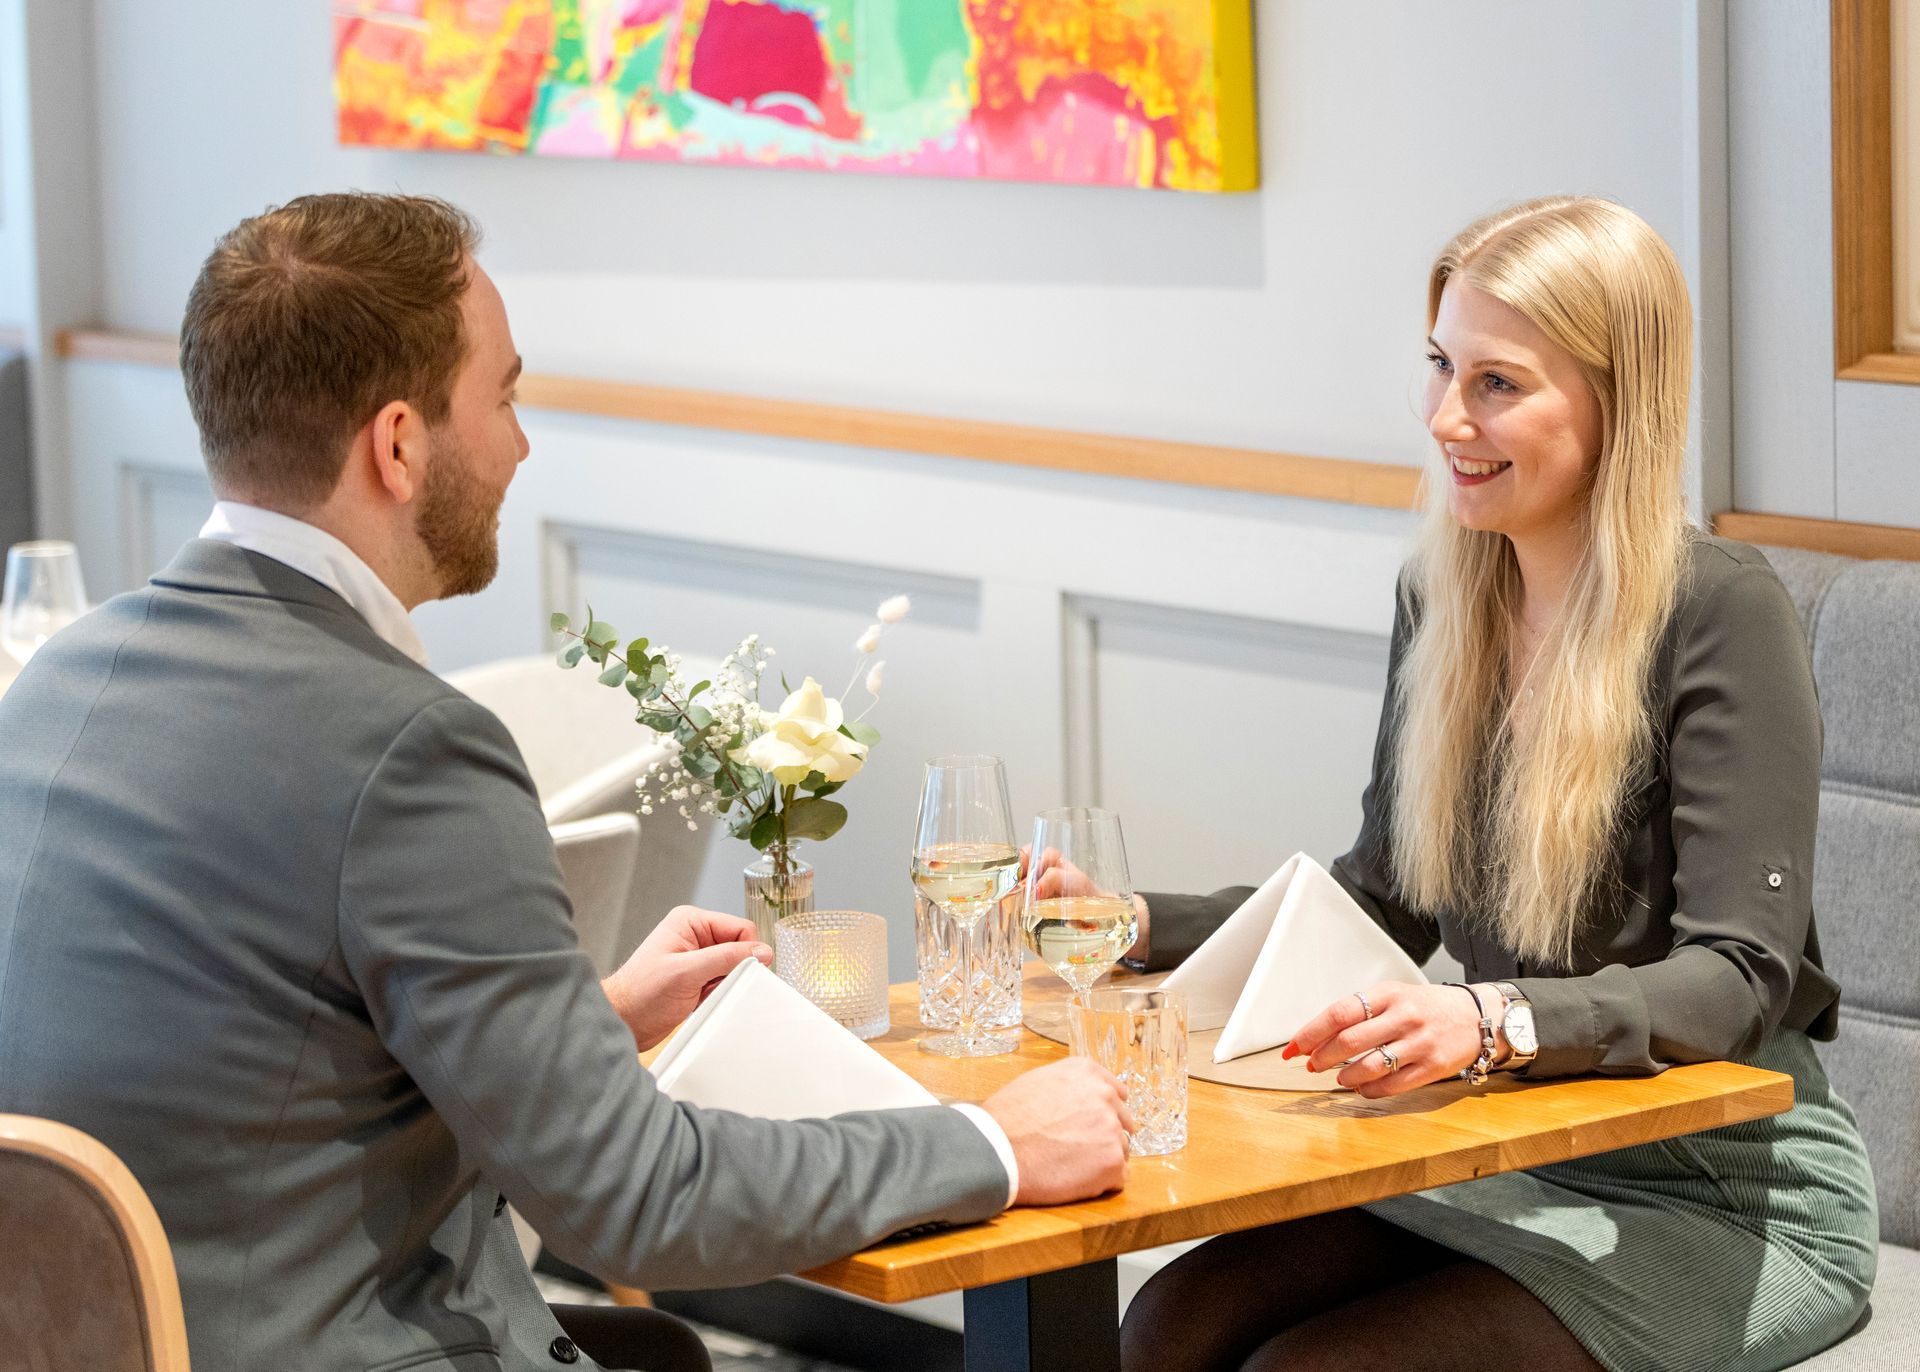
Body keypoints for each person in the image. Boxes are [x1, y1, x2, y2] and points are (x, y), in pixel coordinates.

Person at [0, 192, 1132, 1372]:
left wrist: (583, 1021)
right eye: (504, 397)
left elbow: (246, 1067)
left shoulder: (51, 683)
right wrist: (990, 1142)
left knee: (662, 1355)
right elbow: (640, 1199)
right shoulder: (410, 750)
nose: (520, 446)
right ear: (399, 444)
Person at [1115, 197, 1879, 1372]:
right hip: (1518, 1149)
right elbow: (1383, 898)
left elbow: (1739, 975)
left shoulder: (1722, 610)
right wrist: (1128, 921)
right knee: (1169, 1326)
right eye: (1441, 367)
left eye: (1496, 384)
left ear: (1616, 401)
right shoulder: (1444, 598)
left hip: (1730, 1190)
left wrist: (1487, 1021)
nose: (1445, 417)